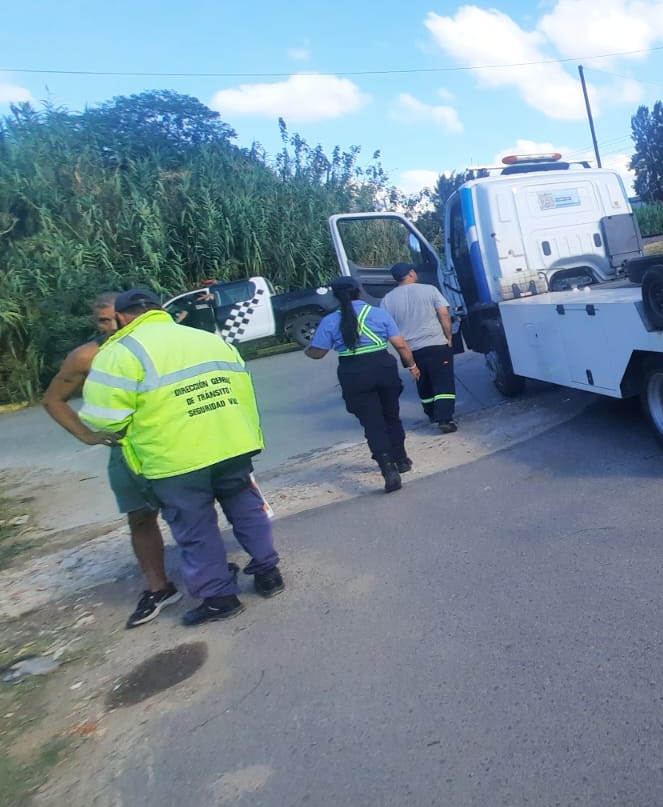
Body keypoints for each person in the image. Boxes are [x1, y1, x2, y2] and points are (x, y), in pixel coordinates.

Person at [80, 289, 281, 627]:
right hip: (231, 443)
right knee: (246, 510)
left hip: (174, 458)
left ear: (124, 316)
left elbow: (102, 419)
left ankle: (220, 598)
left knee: (196, 528)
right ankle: (269, 573)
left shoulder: (120, 351)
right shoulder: (206, 338)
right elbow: (241, 388)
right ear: (159, 309)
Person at [42, 292, 181, 629]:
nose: (114, 324)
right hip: (127, 451)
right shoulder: (88, 356)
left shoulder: (162, 342)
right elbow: (53, 399)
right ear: (97, 323)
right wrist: (87, 436)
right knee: (140, 518)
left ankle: (208, 567)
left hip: (172, 442)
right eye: (105, 319)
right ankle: (158, 587)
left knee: (190, 507)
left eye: (119, 316)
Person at [304, 277, 421, 493]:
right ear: (359, 291)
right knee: (391, 417)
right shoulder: (378, 314)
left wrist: (308, 350)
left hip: (353, 373)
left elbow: (317, 353)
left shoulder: (330, 321)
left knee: (372, 424)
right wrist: (411, 365)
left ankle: (388, 469)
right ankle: (402, 460)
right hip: (383, 368)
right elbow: (400, 344)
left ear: (335, 296)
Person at [383, 262, 458, 433]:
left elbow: (388, 327)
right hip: (435, 343)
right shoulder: (429, 290)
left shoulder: (387, 300)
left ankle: (431, 413)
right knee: (442, 382)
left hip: (410, 349)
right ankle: (445, 419)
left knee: (423, 382)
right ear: (410, 273)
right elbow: (444, 314)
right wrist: (449, 336)